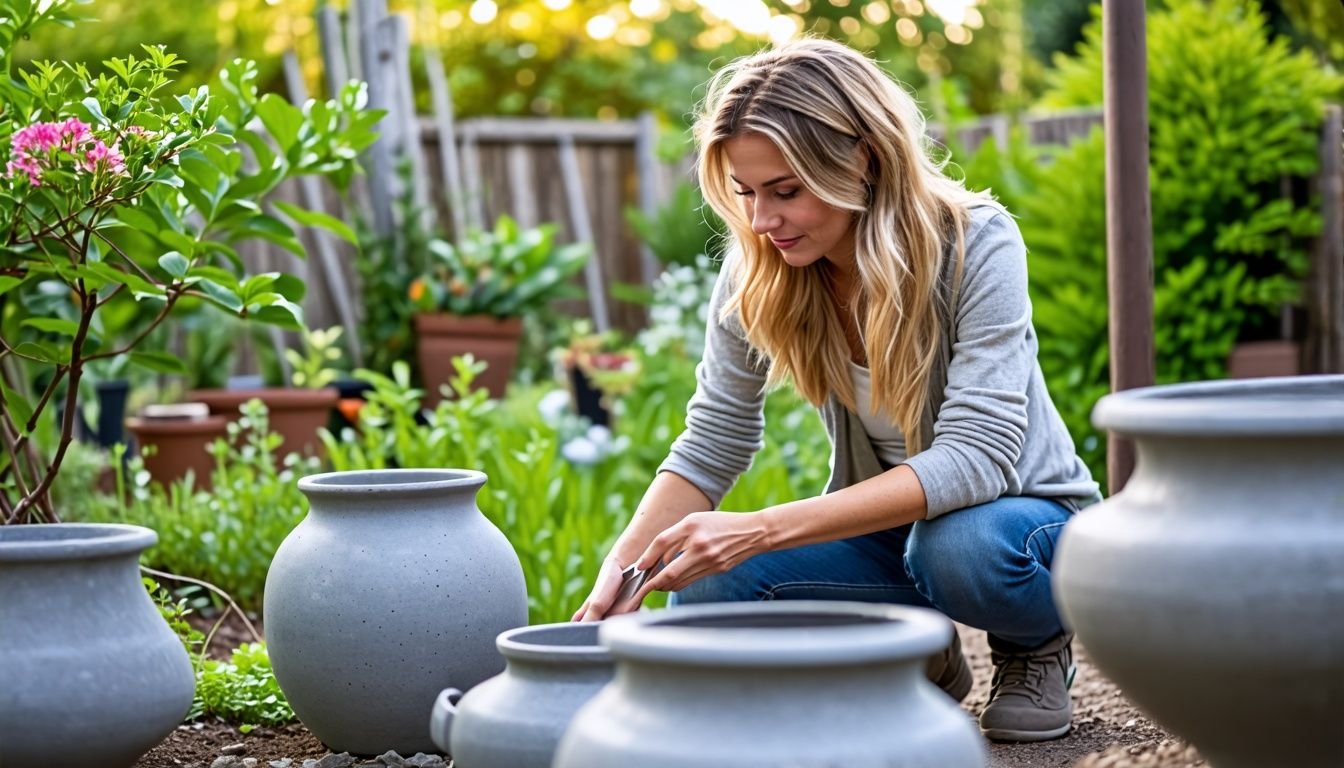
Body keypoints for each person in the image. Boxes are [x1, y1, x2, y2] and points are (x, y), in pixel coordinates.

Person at [572, 37, 1100, 744]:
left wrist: (757, 528)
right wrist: (625, 574)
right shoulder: (761, 271)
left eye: (785, 191)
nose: (762, 221)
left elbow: (978, 457)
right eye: (745, 193)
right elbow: (713, 439)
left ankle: (1034, 644)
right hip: (896, 534)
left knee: (957, 548)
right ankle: (915, 650)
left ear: (863, 160)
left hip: (1021, 526)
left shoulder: (977, 242)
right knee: (704, 584)